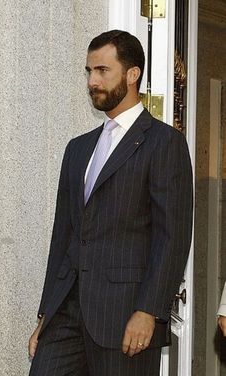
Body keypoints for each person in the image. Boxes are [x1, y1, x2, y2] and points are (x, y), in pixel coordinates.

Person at [28, 29, 193, 376]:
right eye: (89, 71)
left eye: (102, 70)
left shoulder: (165, 144)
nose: (92, 81)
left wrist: (149, 311)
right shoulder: (78, 148)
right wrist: (46, 313)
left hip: (126, 317)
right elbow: (64, 235)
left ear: (132, 75)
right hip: (67, 315)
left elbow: (172, 237)